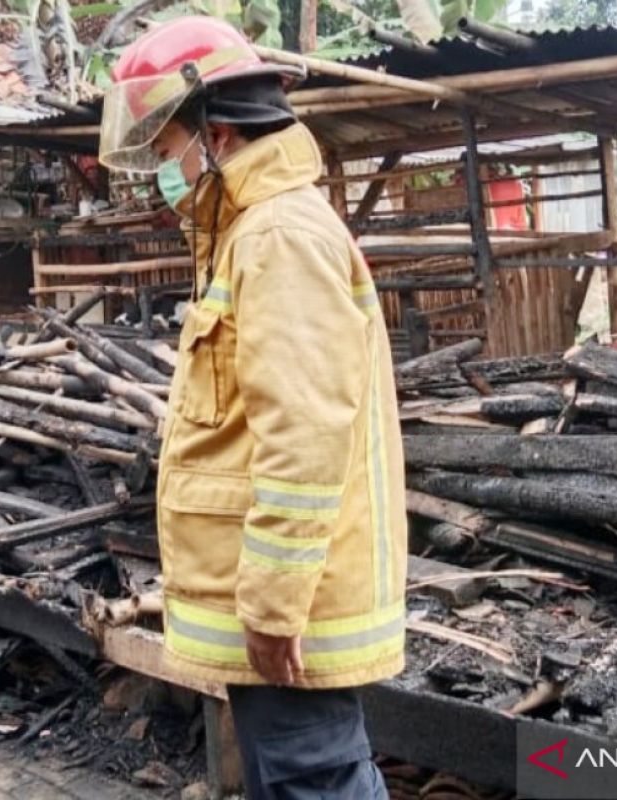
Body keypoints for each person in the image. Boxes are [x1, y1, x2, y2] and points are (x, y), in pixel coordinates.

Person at [101, 17, 407, 799]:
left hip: (292, 608)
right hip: (277, 598)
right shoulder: (253, 231)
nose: (167, 171)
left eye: (170, 151)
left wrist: (273, 603)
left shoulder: (276, 236)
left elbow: (303, 432)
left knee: (315, 778)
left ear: (221, 132)